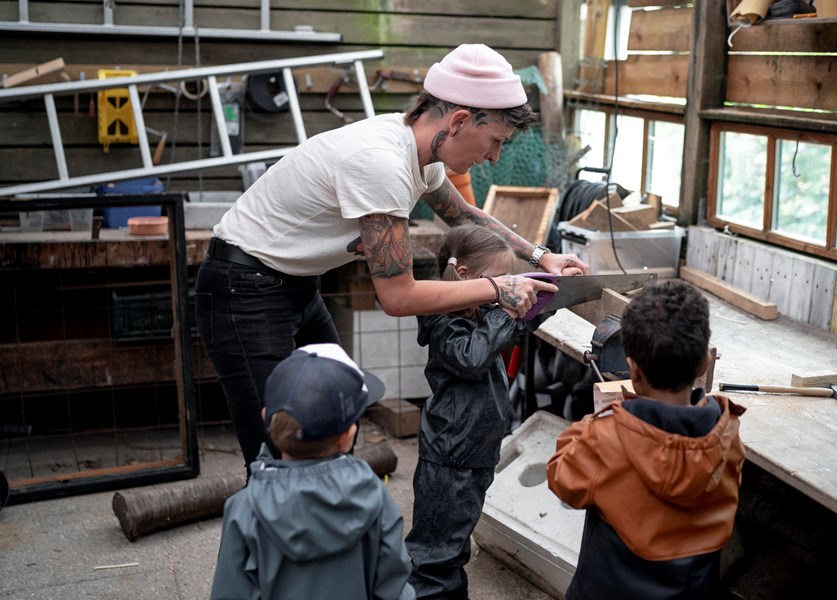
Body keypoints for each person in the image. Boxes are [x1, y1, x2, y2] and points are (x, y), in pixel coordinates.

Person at [194, 43, 589, 468]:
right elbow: (397, 298)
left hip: (293, 284)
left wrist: (539, 256)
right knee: (278, 449)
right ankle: (274, 525)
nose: (493, 156)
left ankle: (324, 521)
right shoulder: (381, 163)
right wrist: (496, 287)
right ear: (458, 122)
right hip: (243, 290)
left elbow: (464, 215)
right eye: (494, 141)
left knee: (340, 410)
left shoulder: (421, 154)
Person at [405, 225, 578, 599]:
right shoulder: (444, 319)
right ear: (465, 276)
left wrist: (554, 289)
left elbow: (514, 325)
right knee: (435, 555)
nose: (505, 288)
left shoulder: (479, 311)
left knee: (453, 543)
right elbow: (470, 358)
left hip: (473, 452)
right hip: (450, 456)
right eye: (499, 280)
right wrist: (505, 313)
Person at [546, 280, 747, 600]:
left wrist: (593, 422)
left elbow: (562, 479)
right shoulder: (727, 434)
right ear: (705, 364)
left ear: (633, 371)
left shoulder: (603, 438)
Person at [210, 342, 415, 600]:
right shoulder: (373, 495)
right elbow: (394, 590)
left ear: (265, 418)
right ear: (348, 435)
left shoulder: (244, 509)